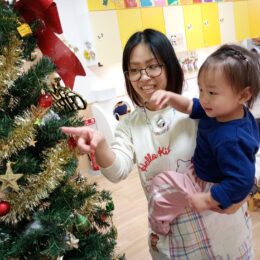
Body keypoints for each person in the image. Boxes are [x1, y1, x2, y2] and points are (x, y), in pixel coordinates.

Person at [61, 29, 259, 259]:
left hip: (225, 238)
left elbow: (247, 156)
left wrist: (244, 193)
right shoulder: (130, 126)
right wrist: (100, 145)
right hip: (175, 245)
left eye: (152, 66)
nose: (143, 77)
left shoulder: (208, 107)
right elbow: (117, 172)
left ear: (170, 65)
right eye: (134, 70)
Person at [148, 44, 260, 236]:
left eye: (212, 92)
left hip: (208, 183)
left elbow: (243, 180)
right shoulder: (221, 110)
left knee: (161, 185)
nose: (204, 98)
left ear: (243, 95)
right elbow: (191, 106)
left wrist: (208, 199)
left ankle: (159, 226)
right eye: (201, 90)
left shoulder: (231, 138)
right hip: (201, 171)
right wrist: (170, 97)